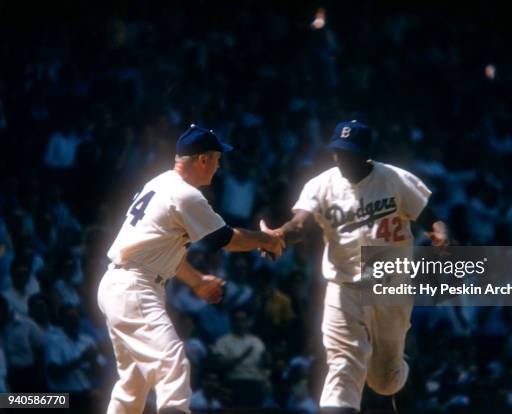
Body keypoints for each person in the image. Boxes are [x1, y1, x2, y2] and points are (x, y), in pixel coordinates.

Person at [260, 120, 448, 414]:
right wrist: (281, 235)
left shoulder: (395, 179)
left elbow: (430, 218)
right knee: (343, 364)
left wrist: (440, 236)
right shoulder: (321, 185)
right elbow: (300, 224)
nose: (342, 158)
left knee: (384, 381)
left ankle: (401, 374)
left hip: (390, 285)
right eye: (338, 151)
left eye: (350, 152)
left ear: (367, 153)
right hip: (343, 285)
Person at [97, 124, 284, 414]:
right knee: (172, 362)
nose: (219, 166)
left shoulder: (159, 182)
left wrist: (196, 281)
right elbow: (227, 240)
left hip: (126, 283)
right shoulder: (185, 195)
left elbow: (157, 253)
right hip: (134, 286)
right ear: (203, 159)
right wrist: (267, 240)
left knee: (133, 381)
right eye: (217, 159)